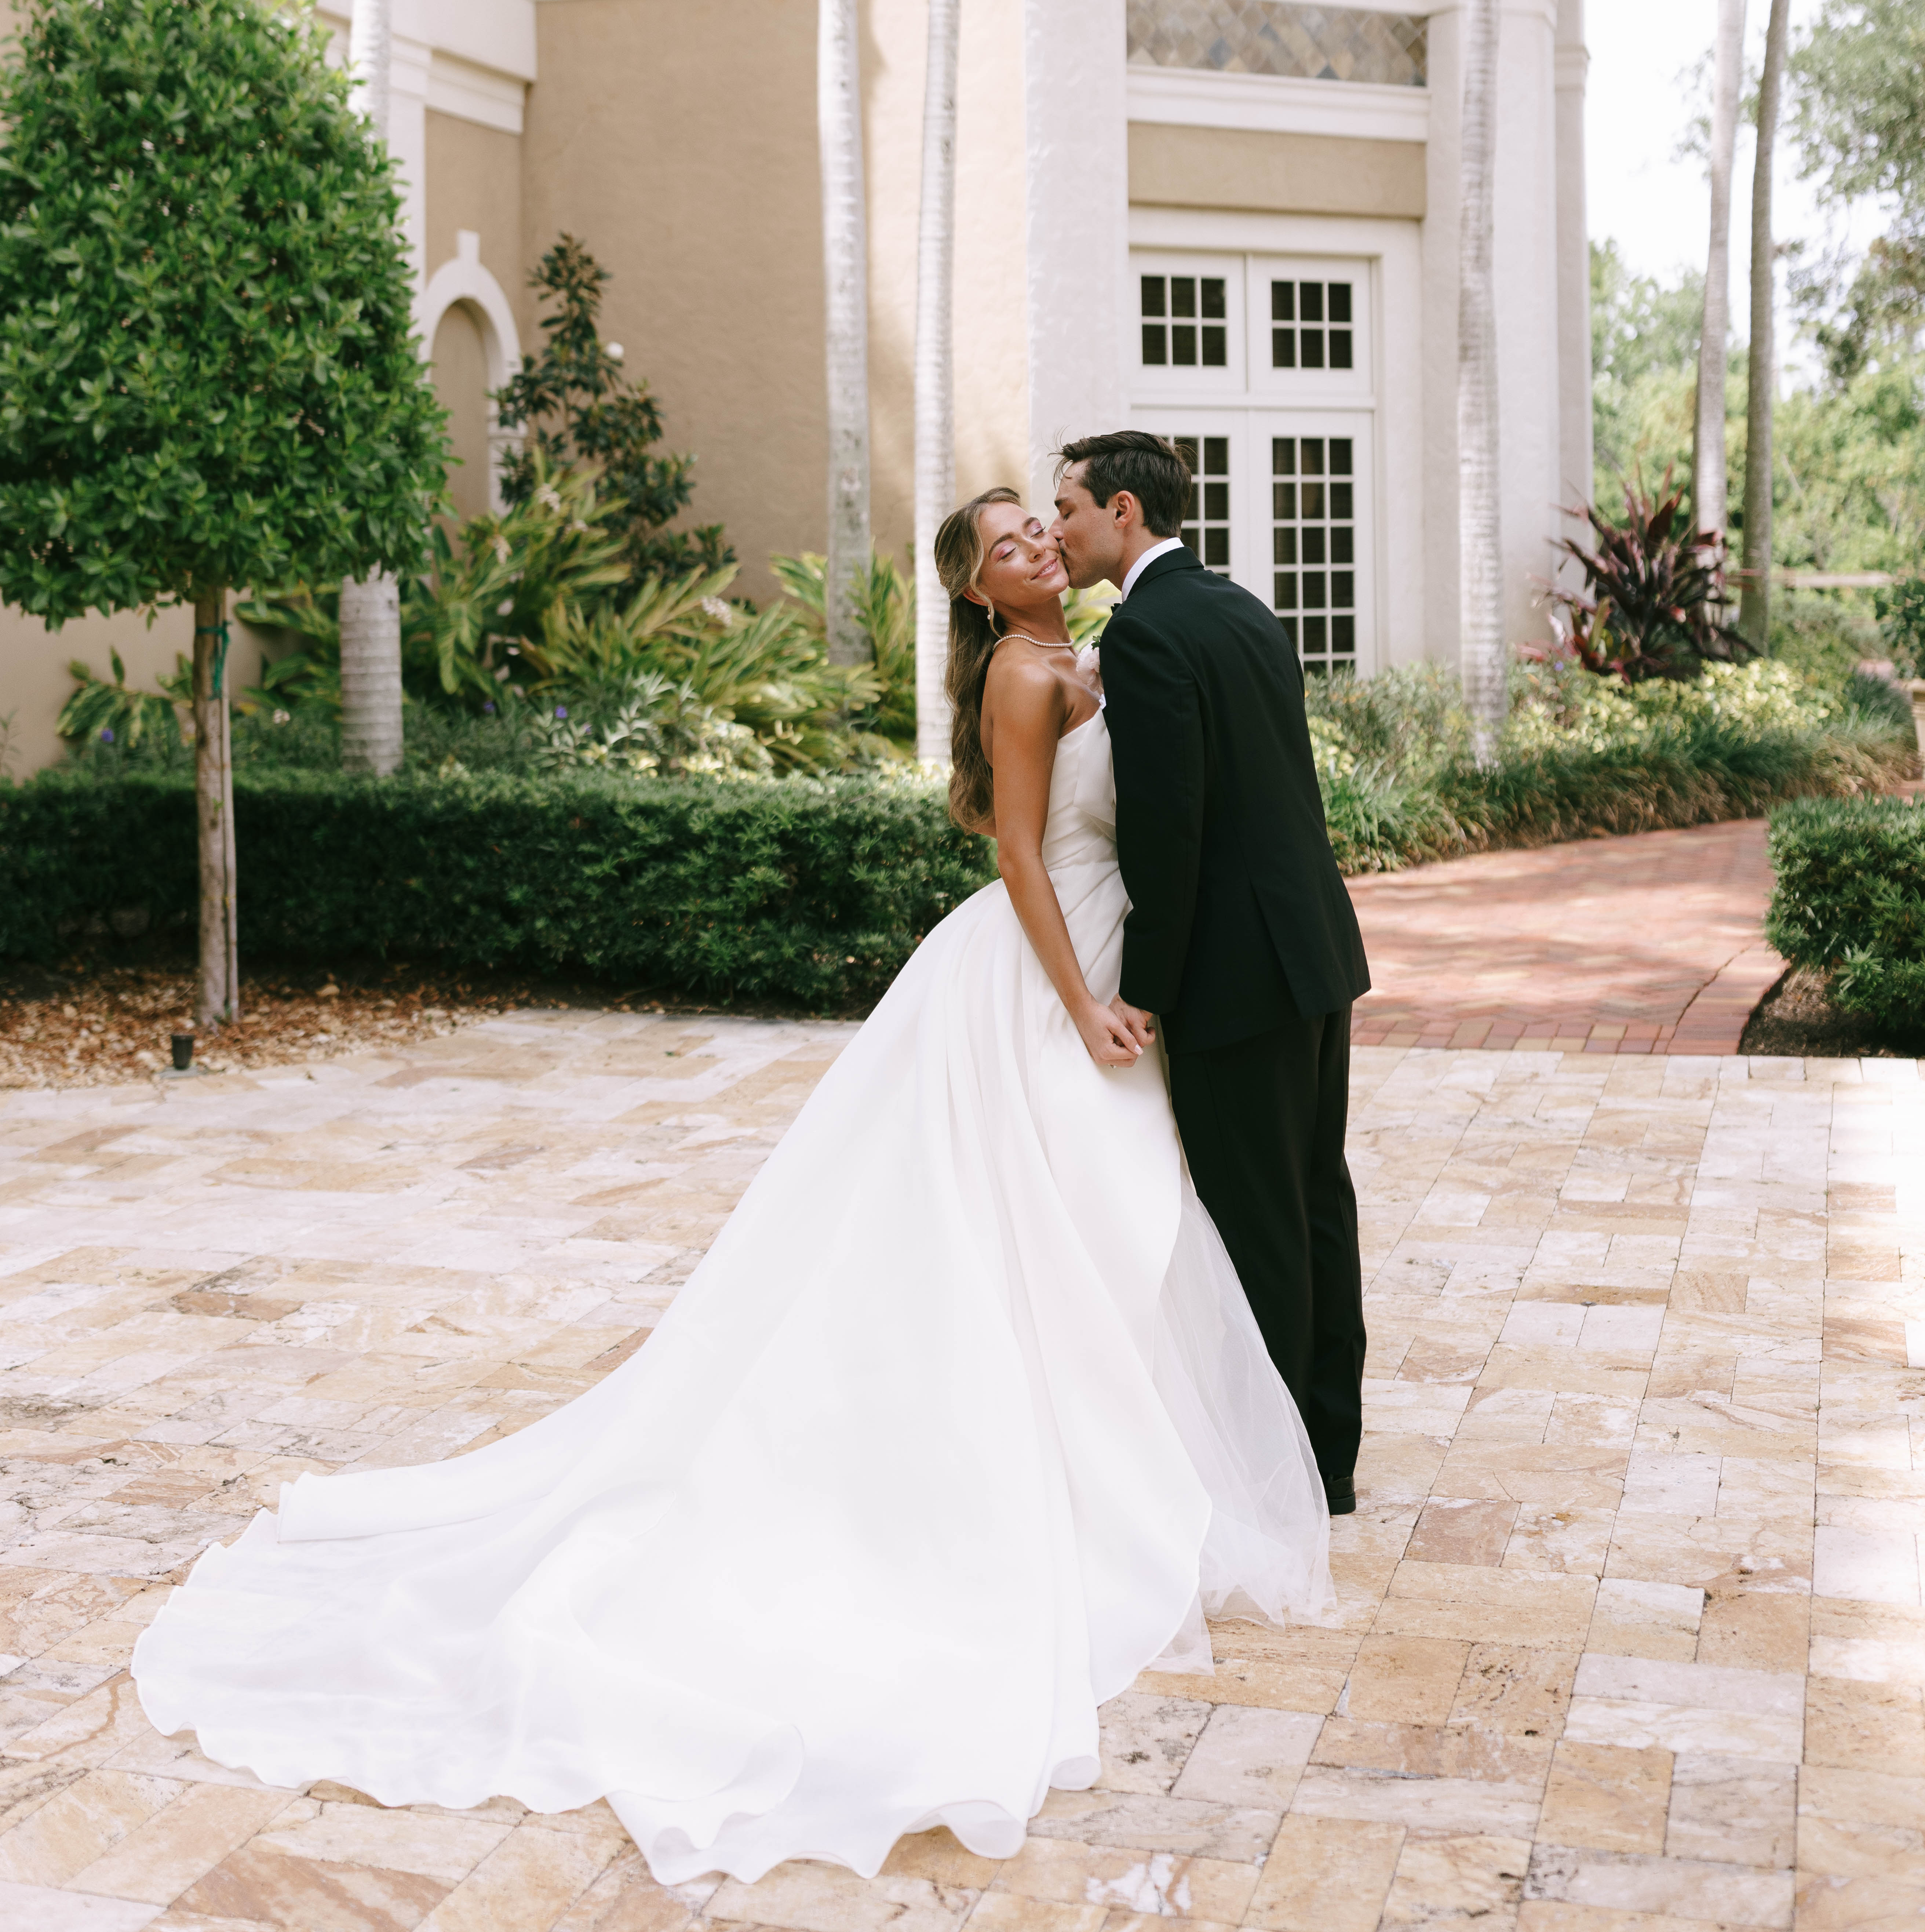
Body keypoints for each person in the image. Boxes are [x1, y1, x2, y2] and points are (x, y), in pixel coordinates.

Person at [133, 488, 1330, 1888]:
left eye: (1035, 528)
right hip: (1044, 970)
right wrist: (1079, 1007)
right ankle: (1053, 1487)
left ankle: (1125, 1467)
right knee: (1066, 1205)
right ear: (978, 593)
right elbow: (1018, 850)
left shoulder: (1105, 654)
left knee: (1114, 1216)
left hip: (1112, 942)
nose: (1036, 548)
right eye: (1005, 546)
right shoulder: (1020, 675)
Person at [1052, 431, 1370, 1513]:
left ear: (1125, 512)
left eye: (1071, 510)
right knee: (1317, 1199)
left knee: (1257, 1220)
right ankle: (1328, 1453)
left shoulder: (1144, 633)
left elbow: (1168, 832)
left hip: (1237, 974)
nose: (1061, 530)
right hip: (1315, 953)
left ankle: (1278, 1476)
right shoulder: (1242, 607)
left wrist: (1146, 984)